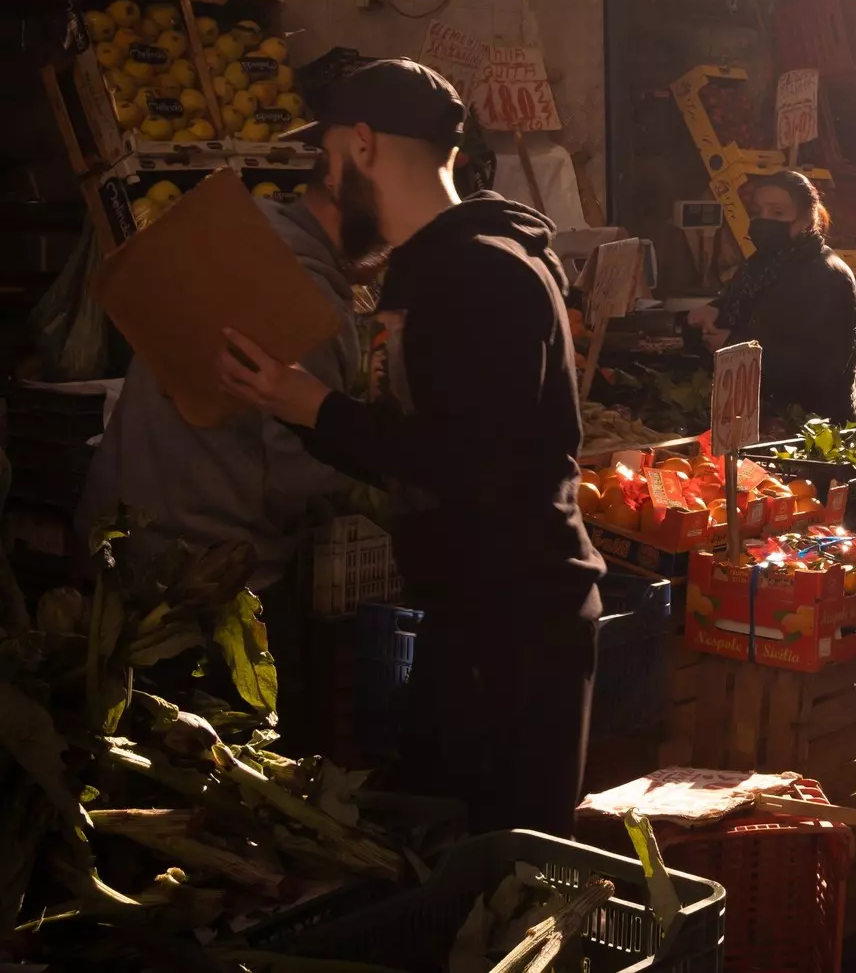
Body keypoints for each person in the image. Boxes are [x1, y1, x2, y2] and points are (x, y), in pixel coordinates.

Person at [215, 59, 604, 835]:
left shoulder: (480, 271)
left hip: (516, 627)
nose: (324, 182)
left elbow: (468, 461)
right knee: (447, 849)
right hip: (479, 613)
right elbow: (422, 445)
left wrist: (314, 405)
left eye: (327, 159)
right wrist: (294, 405)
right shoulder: (438, 269)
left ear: (362, 145)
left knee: (499, 876)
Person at [79, 171, 360, 739]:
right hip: (208, 587)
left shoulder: (219, 244)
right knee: (244, 773)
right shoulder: (311, 309)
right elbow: (296, 478)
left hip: (110, 554)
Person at [688, 171, 856, 423]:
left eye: (778, 213)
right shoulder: (756, 267)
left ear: (806, 220)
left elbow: (821, 369)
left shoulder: (829, 276)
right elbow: (744, 312)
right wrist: (713, 311)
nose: (764, 221)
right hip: (757, 417)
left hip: (814, 427)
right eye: (758, 212)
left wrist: (737, 349)